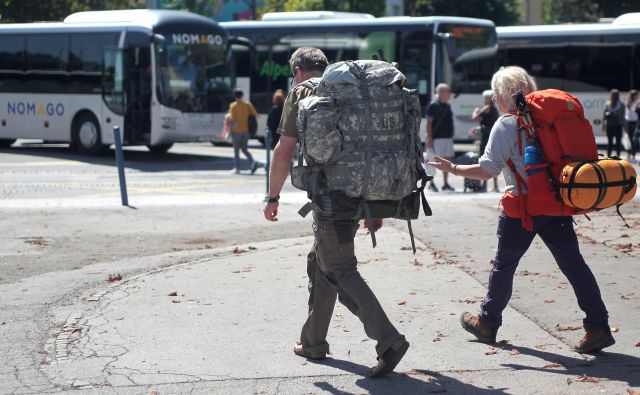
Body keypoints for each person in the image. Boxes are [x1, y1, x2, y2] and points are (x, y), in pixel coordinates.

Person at [427, 66, 615, 354]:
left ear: (502, 94)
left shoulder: (506, 124)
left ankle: (488, 323)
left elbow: (487, 170)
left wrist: (452, 168)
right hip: (557, 203)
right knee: (574, 266)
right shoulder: (550, 119)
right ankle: (598, 326)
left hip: (522, 209)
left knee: (504, 267)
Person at [262, 47, 409, 378]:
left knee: (339, 268)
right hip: (363, 191)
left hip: (332, 198)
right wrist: (375, 199)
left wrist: (272, 196)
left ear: (298, 70)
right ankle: (313, 341)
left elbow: (284, 150)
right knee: (321, 261)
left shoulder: (303, 91)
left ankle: (388, 339)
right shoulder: (354, 91)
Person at [426, 83, 455, 192]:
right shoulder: (433, 105)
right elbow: (428, 123)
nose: (450, 94)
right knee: (435, 160)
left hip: (448, 137)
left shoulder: (447, 105)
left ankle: (445, 183)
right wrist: (429, 137)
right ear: (441, 93)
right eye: (448, 91)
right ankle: (431, 183)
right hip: (437, 138)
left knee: (447, 160)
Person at [471, 90, 500, 192]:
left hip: (486, 138)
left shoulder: (488, 107)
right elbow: (488, 124)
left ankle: (484, 184)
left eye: (485, 98)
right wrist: (478, 129)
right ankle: (495, 185)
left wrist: (476, 110)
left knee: (485, 159)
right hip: (491, 135)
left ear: (488, 99)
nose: (484, 100)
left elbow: (475, 117)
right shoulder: (494, 109)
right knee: (492, 159)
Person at [228, 89, 259, 174]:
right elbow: (256, 114)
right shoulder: (247, 104)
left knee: (236, 150)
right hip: (246, 130)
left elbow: (233, 119)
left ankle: (237, 169)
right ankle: (252, 161)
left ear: (235, 96)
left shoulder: (233, 106)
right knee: (244, 149)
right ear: (242, 96)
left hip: (236, 130)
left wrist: (230, 130)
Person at [603, 89, 625, 158]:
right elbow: (623, 116)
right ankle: (618, 156)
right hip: (618, 125)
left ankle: (608, 156)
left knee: (610, 142)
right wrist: (624, 125)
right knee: (618, 142)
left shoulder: (607, 103)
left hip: (609, 125)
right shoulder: (621, 104)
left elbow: (604, 116)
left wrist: (604, 125)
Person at [624, 89, 639, 162]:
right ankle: (629, 155)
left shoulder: (637, 103)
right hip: (629, 122)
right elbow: (631, 110)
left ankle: (633, 155)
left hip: (635, 122)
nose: (637, 96)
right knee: (629, 139)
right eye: (635, 95)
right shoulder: (629, 102)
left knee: (634, 140)